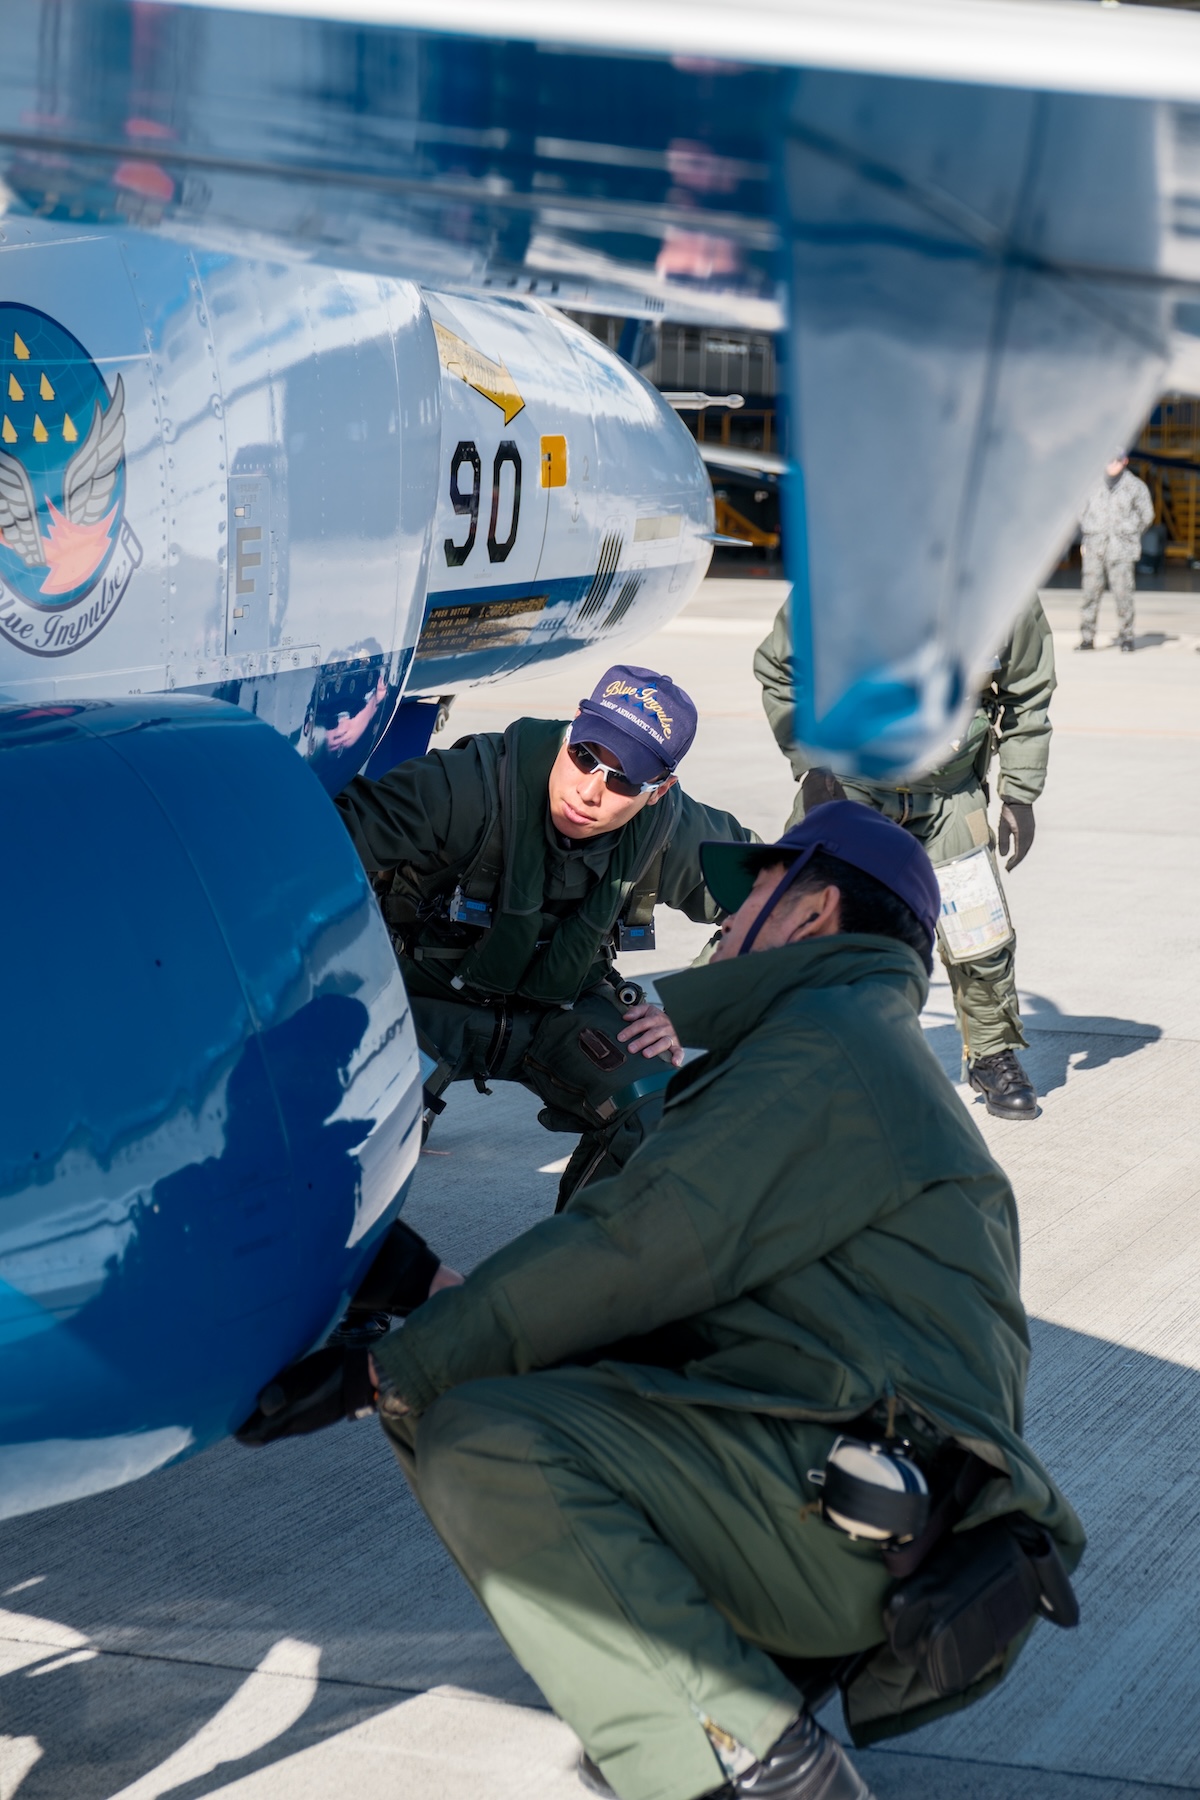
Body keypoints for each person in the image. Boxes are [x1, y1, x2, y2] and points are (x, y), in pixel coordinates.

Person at [319, 803, 1081, 1800]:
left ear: (810, 914)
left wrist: (389, 1368)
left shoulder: (828, 1053)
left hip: (873, 1524)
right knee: (482, 1372)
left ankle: (747, 1760)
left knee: (482, 1435)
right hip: (866, 1482)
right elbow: (632, 1274)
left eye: (745, 899)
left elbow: (634, 1249)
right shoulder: (838, 1040)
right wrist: (438, 1307)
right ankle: (729, 1689)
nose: (716, 928)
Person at [335, 665, 756, 1214]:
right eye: (586, 755)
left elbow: (788, 900)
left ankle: (575, 1280)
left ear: (660, 791)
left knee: (666, 1116)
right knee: (340, 1114)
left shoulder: (672, 829)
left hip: (564, 1009)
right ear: (574, 726)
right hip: (423, 1000)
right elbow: (318, 844)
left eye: (624, 779)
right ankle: (364, 1283)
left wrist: (691, 1004)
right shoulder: (468, 786)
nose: (590, 790)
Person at [753, 599, 1055, 1121]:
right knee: (807, 922)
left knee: (979, 932)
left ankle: (989, 1053)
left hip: (950, 791)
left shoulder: (1005, 585)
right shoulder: (848, 569)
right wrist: (813, 765)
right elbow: (781, 666)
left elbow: (1028, 692)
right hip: (850, 786)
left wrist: (1021, 792)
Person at [1078, 451, 1154, 653]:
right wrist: (1088, 535)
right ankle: (1087, 638)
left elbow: (1147, 514)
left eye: (1115, 460)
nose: (1111, 464)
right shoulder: (1091, 484)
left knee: (1123, 595)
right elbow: (1080, 511)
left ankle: (1126, 637)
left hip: (1122, 550)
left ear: (1124, 461)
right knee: (1089, 594)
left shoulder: (1135, 486)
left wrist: (1129, 532)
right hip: (1095, 547)